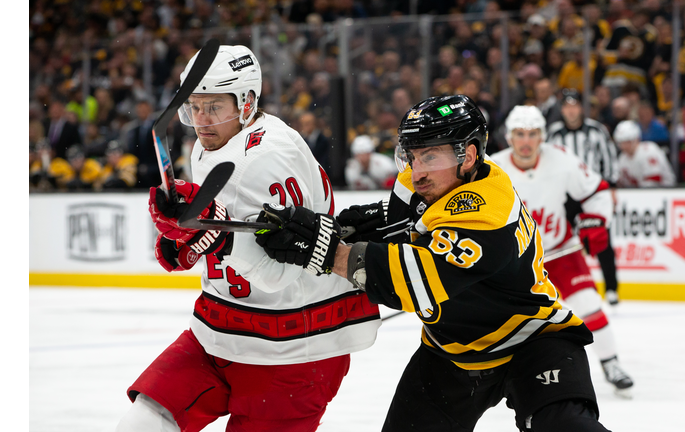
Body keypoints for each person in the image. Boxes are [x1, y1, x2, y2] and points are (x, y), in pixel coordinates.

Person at [253, 95, 612, 431]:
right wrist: (342, 226)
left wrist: (326, 251)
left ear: (469, 155)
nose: (417, 170)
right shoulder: (420, 180)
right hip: (449, 352)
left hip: (531, 342)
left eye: (430, 157)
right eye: (411, 155)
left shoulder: (488, 208)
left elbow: (416, 280)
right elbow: (401, 230)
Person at [116, 44, 381, 432]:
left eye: (214, 107)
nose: (202, 120)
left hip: (292, 349)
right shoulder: (210, 144)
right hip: (220, 330)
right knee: (142, 422)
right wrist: (187, 238)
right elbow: (226, 230)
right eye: (193, 107)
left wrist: (217, 237)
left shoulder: (267, 158)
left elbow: (280, 273)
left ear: (247, 101)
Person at [493, 105, 634, 396]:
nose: (526, 141)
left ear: (542, 135)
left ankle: (611, 362)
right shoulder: (492, 170)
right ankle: (498, 374)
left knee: (589, 305)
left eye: (533, 134)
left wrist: (596, 221)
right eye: (520, 134)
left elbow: (597, 191)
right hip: (515, 262)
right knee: (503, 321)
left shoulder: (562, 160)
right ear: (509, 137)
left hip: (560, 250)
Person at [547, 89, 622, 305]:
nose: (571, 111)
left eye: (574, 106)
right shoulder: (554, 134)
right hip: (564, 196)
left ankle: (611, 288)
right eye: (566, 106)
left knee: (601, 238)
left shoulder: (597, 131)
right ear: (562, 109)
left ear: (581, 107)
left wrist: (611, 189)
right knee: (559, 240)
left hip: (591, 194)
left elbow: (609, 160)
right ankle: (559, 287)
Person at [613, 120, 676, 187]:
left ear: (636, 139)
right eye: (620, 142)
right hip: (638, 194)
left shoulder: (649, 150)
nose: (623, 146)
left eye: (627, 142)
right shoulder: (622, 158)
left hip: (663, 193)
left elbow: (653, 183)